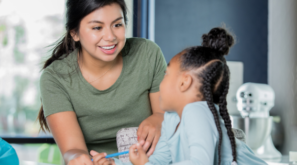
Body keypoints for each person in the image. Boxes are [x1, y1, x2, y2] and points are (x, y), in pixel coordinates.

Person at [92, 27, 268, 165]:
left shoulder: (198, 112)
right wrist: (114, 164)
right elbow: (159, 162)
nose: (160, 81)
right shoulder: (171, 119)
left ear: (184, 82)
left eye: (166, 74)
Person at [37, 0, 166, 165]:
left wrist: (159, 118)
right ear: (74, 33)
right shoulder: (55, 77)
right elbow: (72, 150)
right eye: (97, 27)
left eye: (117, 25)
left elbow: (165, 115)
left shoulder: (148, 53)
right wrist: (77, 159)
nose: (110, 36)